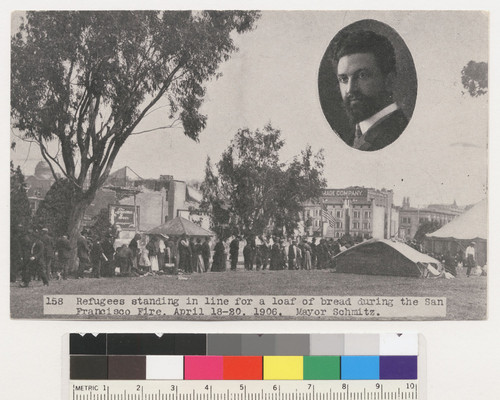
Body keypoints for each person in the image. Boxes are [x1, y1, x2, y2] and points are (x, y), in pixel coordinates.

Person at [332, 30, 409, 151]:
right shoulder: (354, 138)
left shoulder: (398, 135)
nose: (350, 89)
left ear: (389, 81)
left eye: (362, 75)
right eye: (343, 79)